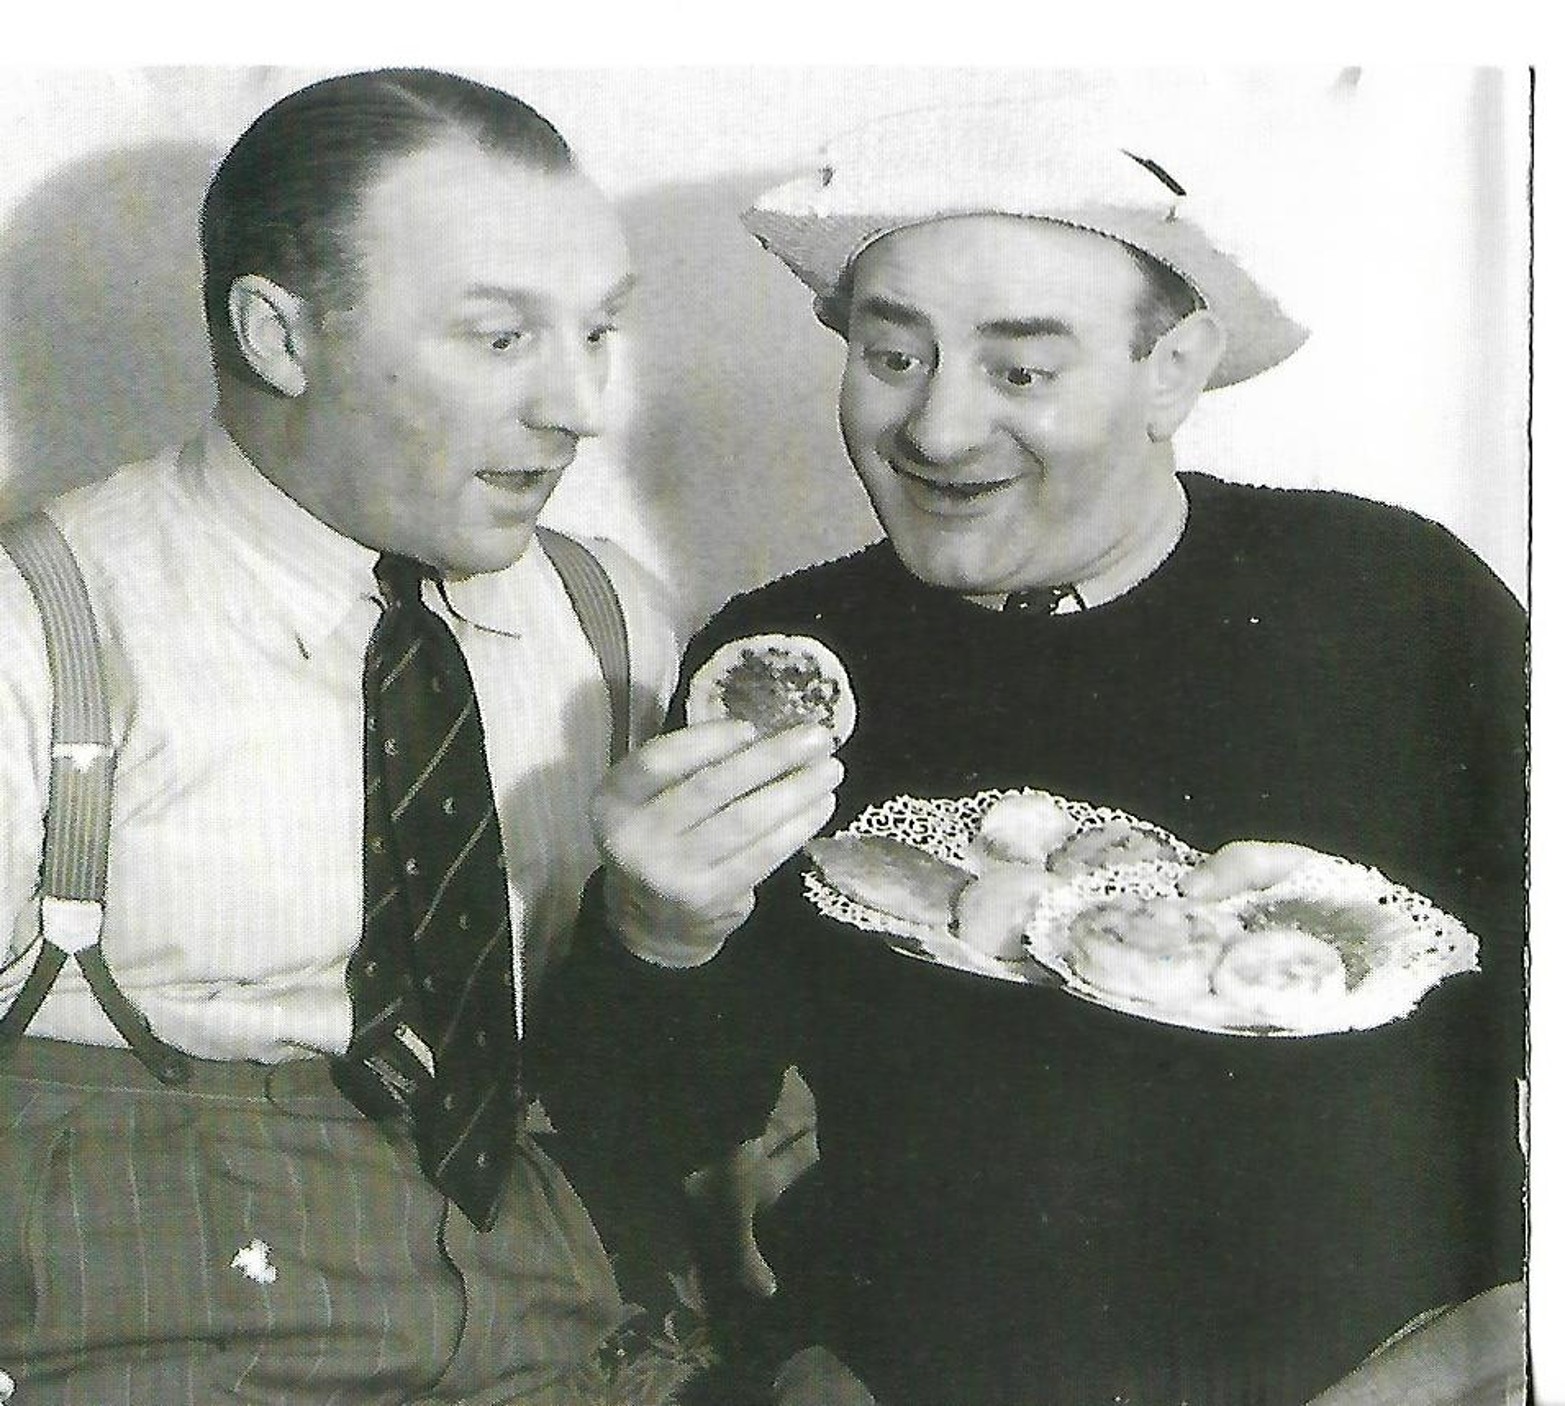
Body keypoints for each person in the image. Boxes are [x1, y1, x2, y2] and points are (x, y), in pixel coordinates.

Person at [541, 107, 1527, 1405]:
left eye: (1019, 370)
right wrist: (655, 932)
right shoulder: (789, 656)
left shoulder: (1397, 602)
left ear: (1171, 371)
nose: (938, 430)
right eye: (893, 355)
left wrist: (1477, 1353)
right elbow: (636, 1136)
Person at [0, 69, 684, 1405]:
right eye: (500, 337)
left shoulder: (611, 621)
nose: (579, 407)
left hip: (548, 1347)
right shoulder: (40, 635)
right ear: (279, 335)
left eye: (597, 330)